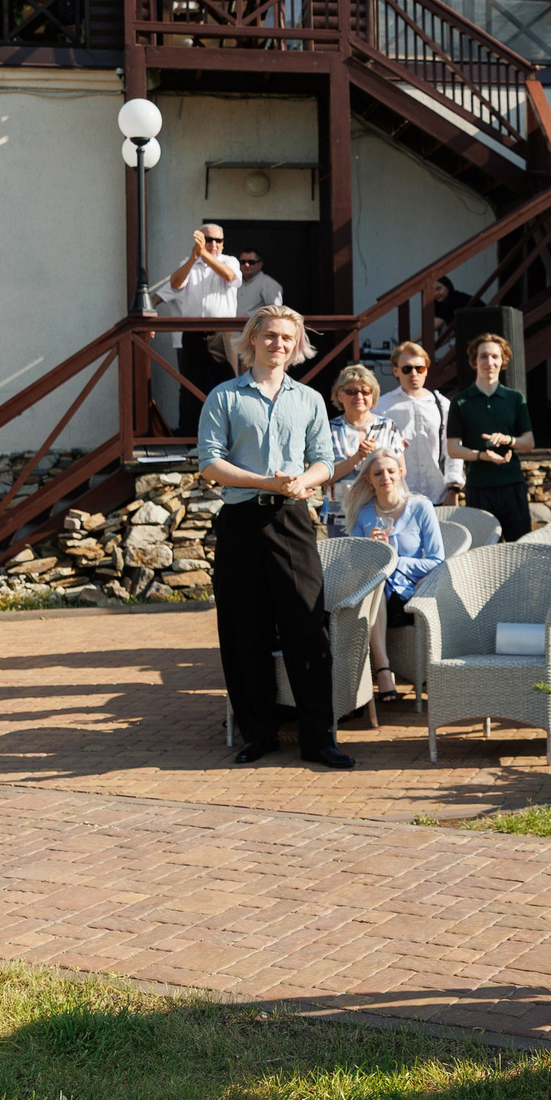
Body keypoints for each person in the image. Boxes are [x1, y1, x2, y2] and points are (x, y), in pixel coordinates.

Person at [196, 303, 355, 769]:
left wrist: (304, 482)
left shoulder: (308, 400)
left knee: (307, 629)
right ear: (251, 340)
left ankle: (318, 740)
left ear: (297, 345)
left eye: (287, 338)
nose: (278, 344)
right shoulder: (224, 397)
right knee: (245, 630)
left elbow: (324, 459)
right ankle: (258, 733)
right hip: (242, 521)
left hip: (292, 519)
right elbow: (209, 463)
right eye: (269, 336)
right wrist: (264, 481)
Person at [345, 447, 441, 702]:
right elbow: (354, 562)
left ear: (400, 473)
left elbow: (437, 561)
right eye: (378, 473)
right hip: (374, 592)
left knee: (377, 580)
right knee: (375, 581)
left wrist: (394, 562)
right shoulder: (363, 513)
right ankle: (369, 672)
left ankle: (382, 669)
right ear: (369, 479)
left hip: (410, 593)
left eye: (390, 471)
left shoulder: (421, 507)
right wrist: (370, 546)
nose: (385, 477)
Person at [447, 333, 535, 543]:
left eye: (495, 357)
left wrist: (508, 440)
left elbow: (529, 443)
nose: (490, 362)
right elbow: (453, 448)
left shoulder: (515, 398)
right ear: (474, 361)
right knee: (482, 551)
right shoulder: (460, 402)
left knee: (520, 547)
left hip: (512, 485)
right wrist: (480, 456)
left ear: (503, 361)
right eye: (484, 356)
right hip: (478, 486)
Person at [155, 225, 242, 433]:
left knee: (228, 385)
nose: (214, 244)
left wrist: (203, 254)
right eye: (208, 240)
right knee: (190, 387)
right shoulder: (188, 262)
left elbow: (229, 277)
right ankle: (190, 436)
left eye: (218, 240)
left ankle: (230, 435)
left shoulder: (229, 260)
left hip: (223, 332)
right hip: (192, 332)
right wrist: (195, 258)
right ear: (199, 240)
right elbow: (175, 285)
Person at [375, 341, 460, 508]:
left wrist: (453, 489)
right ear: (395, 371)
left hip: (438, 494)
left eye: (419, 368)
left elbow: (452, 450)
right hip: (399, 496)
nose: (414, 373)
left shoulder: (442, 405)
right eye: (407, 369)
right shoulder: (382, 407)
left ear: (426, 370)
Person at [324, 365, 399, 537]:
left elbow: (400, 471)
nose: (359, 396)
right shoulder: (329, 429)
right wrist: (356, 458)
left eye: (365, 392)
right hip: (340, 515)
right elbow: (324, 476)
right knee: (339, 563)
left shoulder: (387, 426)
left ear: (373, 396)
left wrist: (376, 459)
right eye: (351, 391)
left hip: (379, 513)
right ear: (339, 395)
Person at [230, 247, 285, 372]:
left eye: (251, 262)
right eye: (242, 262)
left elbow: (276, 314)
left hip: (254, 340)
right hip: (233, 339)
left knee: (252, 377)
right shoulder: (236, 282)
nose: (246, 265)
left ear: (260, 264)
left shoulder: (269, 284)